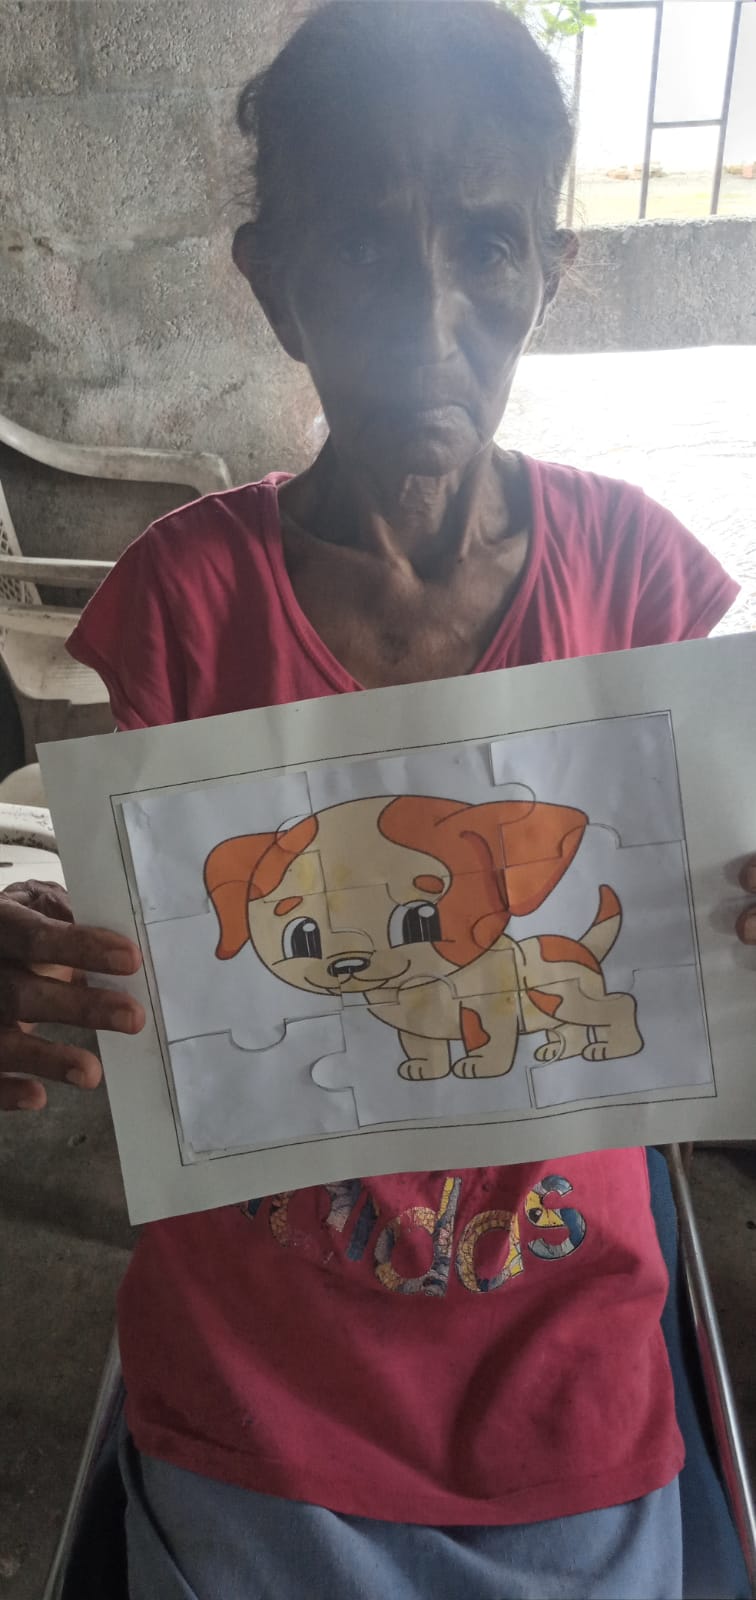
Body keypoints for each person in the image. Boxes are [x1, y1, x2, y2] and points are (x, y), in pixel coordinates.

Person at [2, 4, 754, 1597]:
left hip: (569, 1381)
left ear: (552, 271)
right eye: (358, 246)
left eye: (486, 245)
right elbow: (140, 940)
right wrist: (41, 958)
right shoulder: (186, 604)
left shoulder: (635, 576)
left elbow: (702, 918)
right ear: (270, 283)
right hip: (259, 1400)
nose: (427, 316)